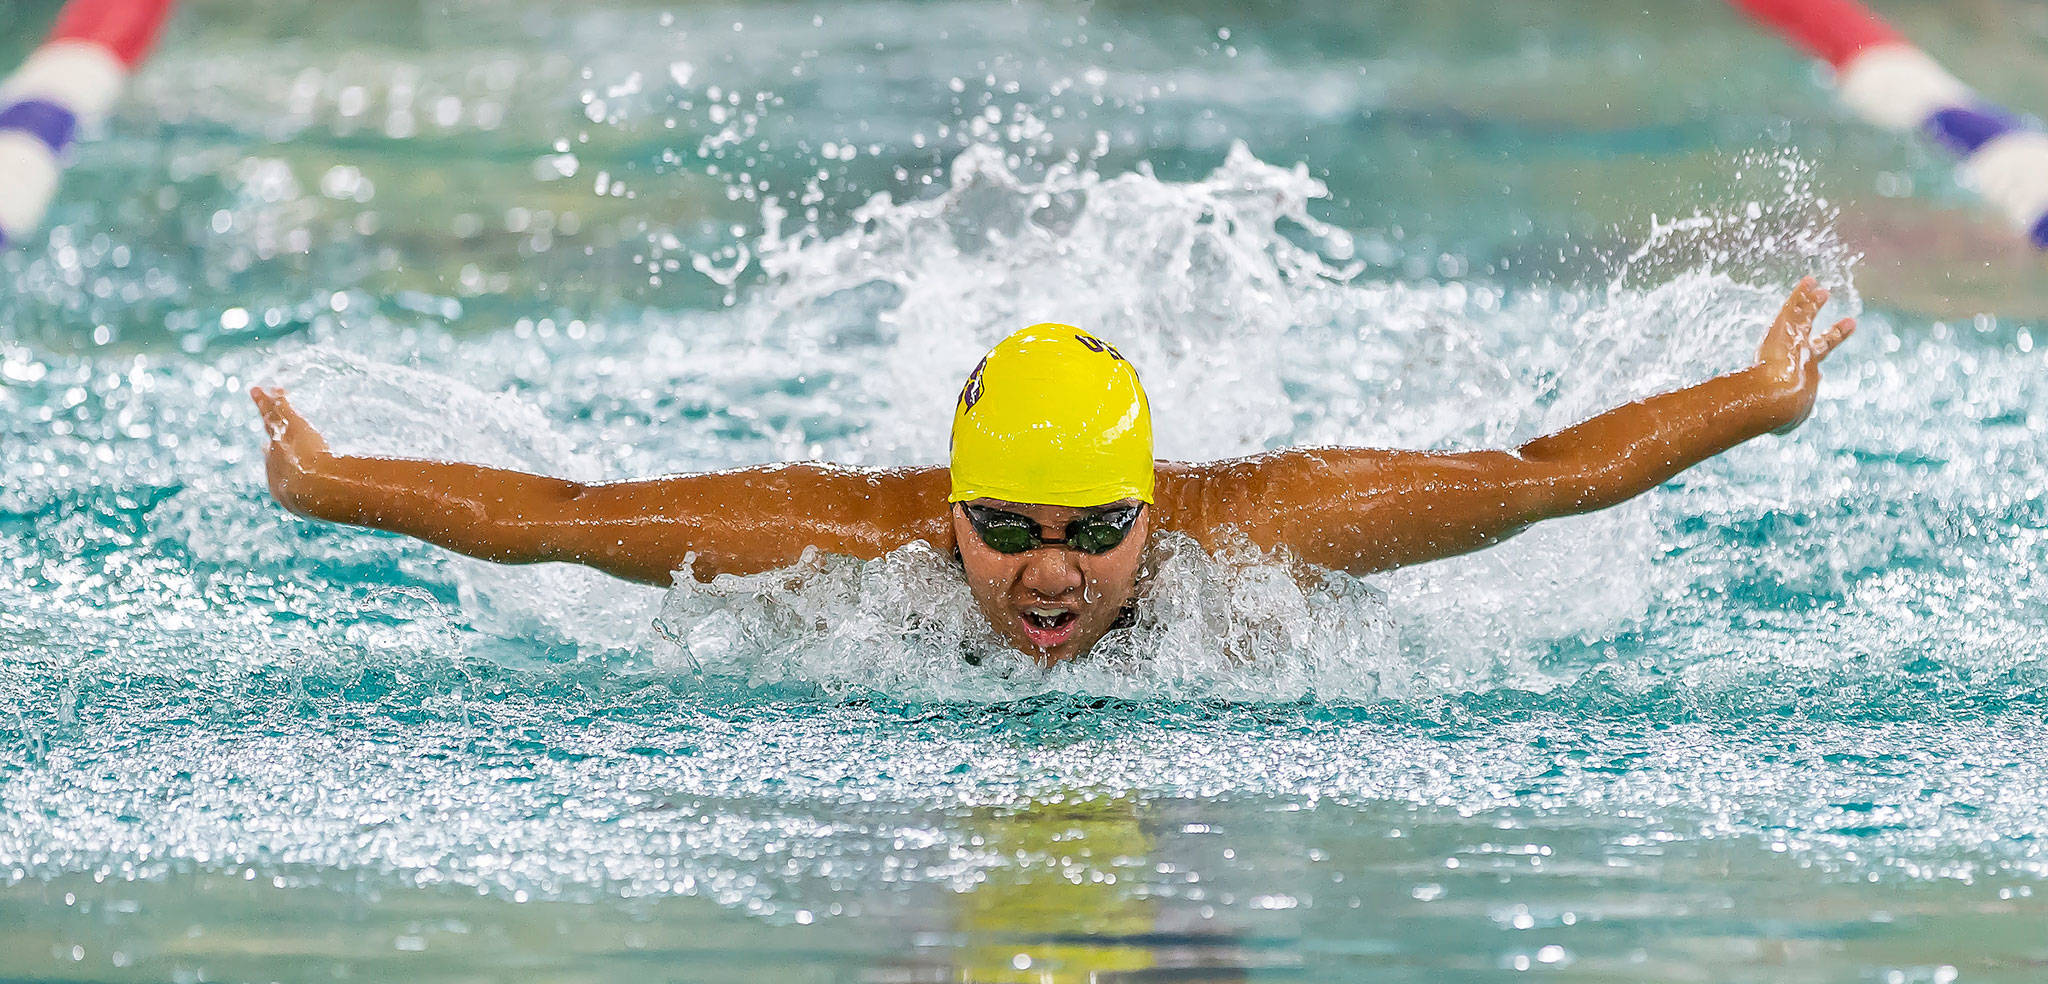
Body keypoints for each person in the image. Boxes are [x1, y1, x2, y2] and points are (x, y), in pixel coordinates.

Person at [253, 277, 1854, 667]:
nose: (1050, 572)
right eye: (1004, 529)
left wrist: (1758, 401)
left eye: (1095, 530)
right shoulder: (835, 540)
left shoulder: (1280, 528)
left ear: (1157, 506)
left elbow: (1549, 475)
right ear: (939, 509)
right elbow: (568, 524)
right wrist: (334, 487)